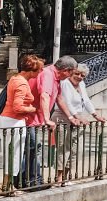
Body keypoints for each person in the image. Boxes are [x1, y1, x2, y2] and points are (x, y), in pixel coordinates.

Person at [19, 55, 76, 188]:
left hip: (33, 118)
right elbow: (45, 95)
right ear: (66, 70)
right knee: (33, 148)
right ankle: (32, 181)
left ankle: (29, 180)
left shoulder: (55, 78)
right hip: (28, 117)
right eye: (70, 74)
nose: (68, 77)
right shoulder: (48, 75)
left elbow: (59, 98)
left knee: (32, 148)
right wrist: (46, 118)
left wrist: (71, 117)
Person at [52, 64, 107, 185]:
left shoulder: (81, 84)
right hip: (63, 118)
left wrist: (95, 115)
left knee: (76, 149)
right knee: (63, 148)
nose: (79, 77)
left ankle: (67, 176)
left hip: (77, 119)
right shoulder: (65, 83)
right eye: (77, 73)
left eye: (82, 75)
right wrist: (77, 117)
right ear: (71, 72)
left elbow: (86, 100)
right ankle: (59, 178)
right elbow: (66, 102)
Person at [0, 54, 41, 196]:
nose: (40, 73)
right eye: (38, 70)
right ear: (31, 71)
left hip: (8, 119)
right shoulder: (22, 83)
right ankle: (8, 187)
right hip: (14, 121)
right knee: (15, 153)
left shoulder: (14, 78)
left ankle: (6, 186)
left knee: (10, 152)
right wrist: (33, 109)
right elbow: (17, 107)